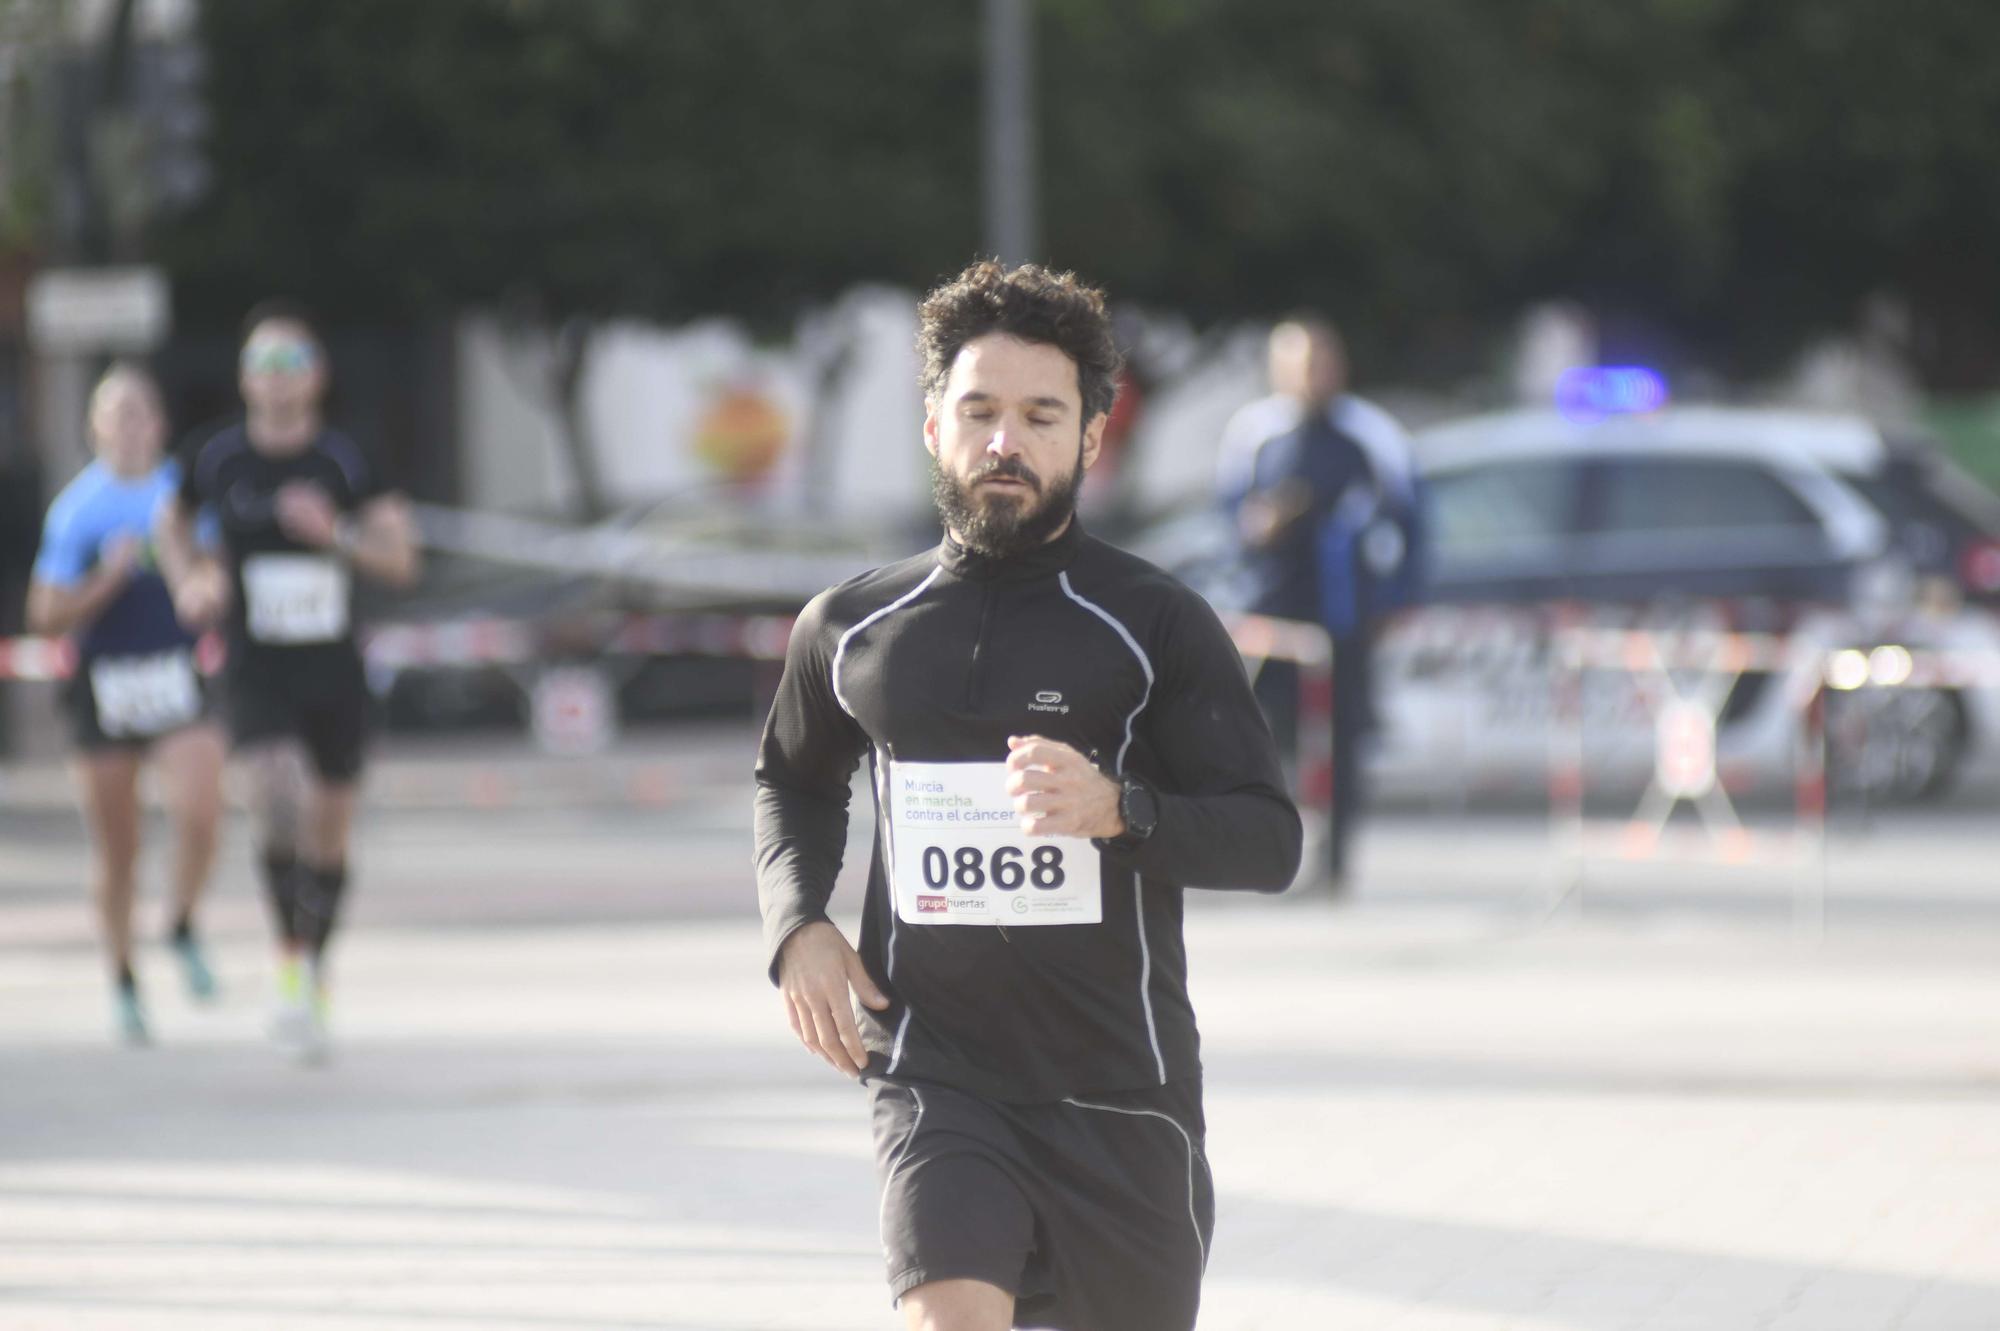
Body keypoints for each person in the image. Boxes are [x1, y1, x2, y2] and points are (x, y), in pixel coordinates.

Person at [755, 261, 1301, 1331]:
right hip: (936, 1075)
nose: (1005, 442)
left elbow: (1268, 839)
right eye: (980, 411)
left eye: (1040, 415)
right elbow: (793, 774)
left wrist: (1121, 811)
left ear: (1090, 436)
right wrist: (798, 926)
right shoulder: (852, 626)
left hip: (1121, 1091)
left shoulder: (1153, 623)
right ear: (931, 426)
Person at [156, 303, 420, 1062]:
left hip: (331, 666)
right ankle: (289, 960)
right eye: (264, 364)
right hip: (255, 664)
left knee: (330, 829)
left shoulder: (345, 459)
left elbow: (401, 558)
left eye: (293, 363)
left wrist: (333, 533)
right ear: (245, 378)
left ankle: (316, 965)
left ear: (317, 377)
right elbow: (168, 524)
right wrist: (192, 579)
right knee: (276, 795)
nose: (278, 379)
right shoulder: (215, 459)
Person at [28, 363, 227, 1044]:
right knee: (119, 846)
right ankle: (123, 980)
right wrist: (103, 581)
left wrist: (203, 585)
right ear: (95, 428)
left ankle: (181, 920)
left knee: (202, 813)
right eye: (116, 413)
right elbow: (46, 613)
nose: (130, 425)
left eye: (141, 411)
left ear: (160, 424)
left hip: (173, 674)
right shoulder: (78, 510)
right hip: (105, 684)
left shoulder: (184, 495)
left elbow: (213, 570)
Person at [1216, 316, 1422, 890]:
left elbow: (1411, 525)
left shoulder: (1370, 434)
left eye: (1321, 363)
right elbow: (1228, 519)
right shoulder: (1255, 433)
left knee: (1341, 743)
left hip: (1342, 617)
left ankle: (1335, 866)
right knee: (1262, 742)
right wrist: (1257, 528)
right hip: (1271, 617)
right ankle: (1269, 856)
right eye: (1299, 365)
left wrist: (1393, 600)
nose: (1311, 377)